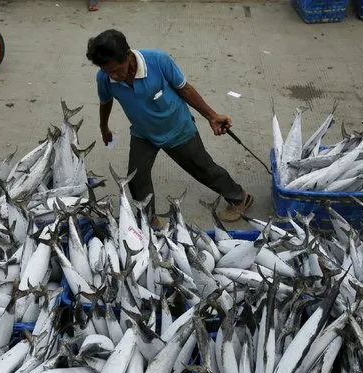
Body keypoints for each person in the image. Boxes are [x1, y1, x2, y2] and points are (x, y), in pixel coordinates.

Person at [86, 29, 254, 227]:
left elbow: (184, 88)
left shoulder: (158, 60)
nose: (114, 75)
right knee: (136, 176)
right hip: (143, 132)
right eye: (108, 71)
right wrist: (104, 127)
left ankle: (239, 198)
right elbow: (105, 102)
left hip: (177, 128)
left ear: (128, 55)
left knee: (203, 169)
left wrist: (212, 116)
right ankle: (148, 220)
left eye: (117, 69)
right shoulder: (104, 78)